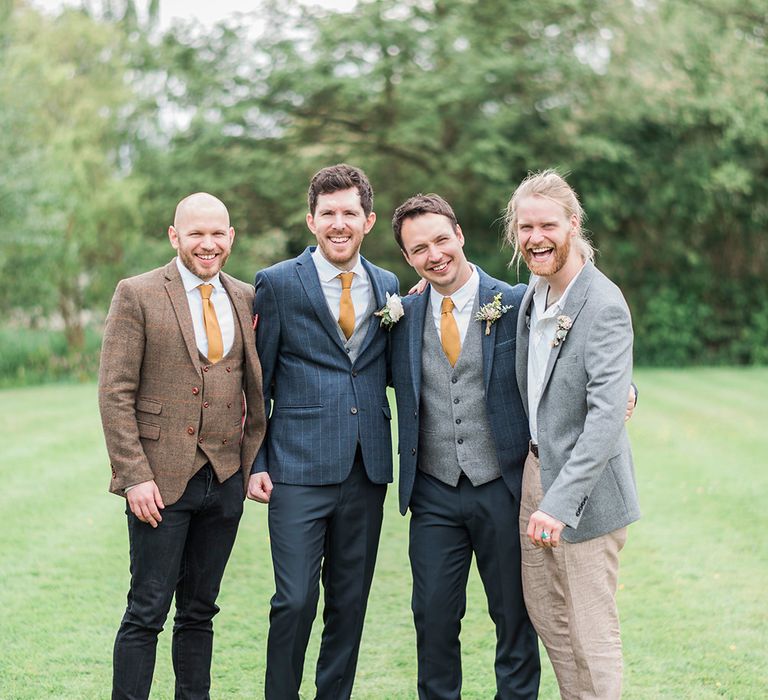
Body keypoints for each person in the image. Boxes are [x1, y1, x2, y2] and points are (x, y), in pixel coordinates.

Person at [98, 192, 266, 700]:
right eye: (196, 233)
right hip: (158, 483)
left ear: (231, 237)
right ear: (175, 237)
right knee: (146, 611)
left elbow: (256, 387)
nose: (208, 244)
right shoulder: (138, 293)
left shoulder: (246, 296)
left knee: (199, 612)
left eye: (218, 233)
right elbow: (115, 391)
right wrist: (134, 476)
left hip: (225, 479)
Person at [247, 164, 399, 699]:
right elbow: (256, 381)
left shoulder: (388, 286)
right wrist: (258, 462)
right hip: (296, 468)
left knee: (348, 602)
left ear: (369, 220)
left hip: (366, 468)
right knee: (294, 600)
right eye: (328, 214)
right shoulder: (278, 283)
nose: (339, 224)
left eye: (349, 214)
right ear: (311, 221)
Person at [389, 193, 540, 700]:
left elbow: (572, 359)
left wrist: (624, 389)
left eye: (439, 240)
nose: (433, 255)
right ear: (408, 259)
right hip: (432, 492)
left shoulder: (517, 301)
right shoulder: (401, 316)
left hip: (503, 486)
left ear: (459, 235)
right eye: (418, 249)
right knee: (432, 620)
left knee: (514, 619)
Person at [505, 170, 640, 700]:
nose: (535, 237)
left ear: (572, 224)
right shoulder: (532, 295)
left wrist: (559, 504)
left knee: (591, 629)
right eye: (525, 227)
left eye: (546, 226)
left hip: (584, 495)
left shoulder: (603, 303)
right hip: (534, 474)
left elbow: (606, 416)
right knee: (550, 619)